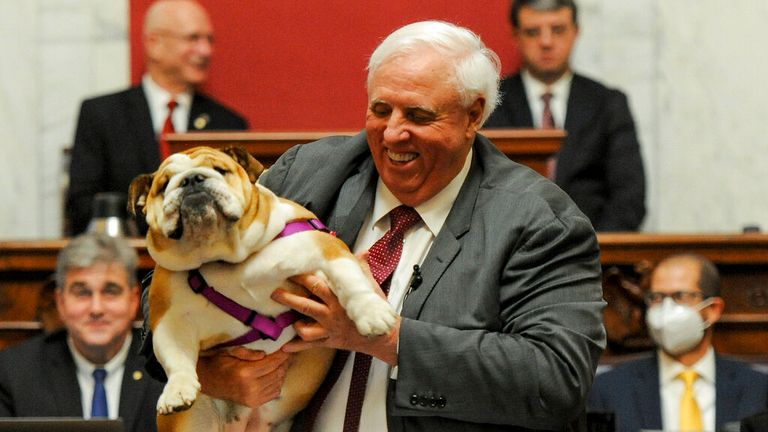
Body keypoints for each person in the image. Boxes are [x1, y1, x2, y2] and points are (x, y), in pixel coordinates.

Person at [156, 20, 605, 431]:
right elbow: (162, 296)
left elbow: (557, 380)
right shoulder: (306, 175)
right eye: (381, 109)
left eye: (418, 116)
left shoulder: (539, 221)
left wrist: (389, 339)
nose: (392, 133)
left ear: (473, 116)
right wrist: (209, 371)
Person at [65, 0, 248, 236]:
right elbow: (81, 206)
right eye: (193, 39)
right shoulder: (101, 115)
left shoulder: (228, 124)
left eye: (209, 40)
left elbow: (238, 202)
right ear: (154, 44)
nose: (206, 51)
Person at [484, 0, 646, 232]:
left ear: (576, 32)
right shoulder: (490, 102)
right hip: (509, 248)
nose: (546, 42)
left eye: (558, 30)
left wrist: (592, 251)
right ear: (516, 35)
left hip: (594, 250)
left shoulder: (608, 103)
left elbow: (629, 198)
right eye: (533, 32)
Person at [0, 233, 163, 432]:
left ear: (133, 300)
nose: (96, 308)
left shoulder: (168, 369)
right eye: (82, 292)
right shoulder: (13, 373)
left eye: (110, 291)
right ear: (60, 302)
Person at [588, 254, 768, 432]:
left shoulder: (759, 389)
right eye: (656, 297)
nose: (666, 308)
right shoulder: (608, 389)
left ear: (713, 309)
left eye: (680, 296)